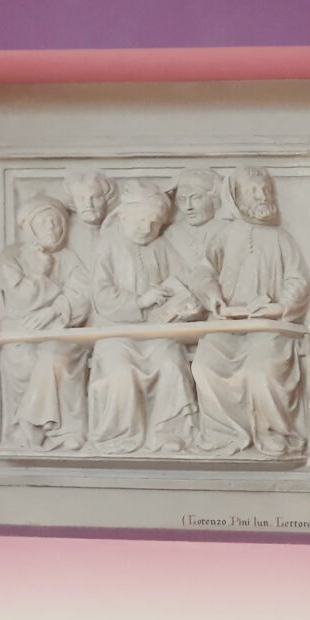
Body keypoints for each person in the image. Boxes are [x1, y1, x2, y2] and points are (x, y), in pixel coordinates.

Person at [191, 166, 310, 456]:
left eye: (266, 189)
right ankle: (223, 433)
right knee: (204, 366)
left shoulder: (281, 238)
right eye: (253, 191)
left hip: (267, 328)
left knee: (261, 371)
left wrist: (281, 306)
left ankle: (272, 431)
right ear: (236, 197)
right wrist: (213, 298)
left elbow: (298, 280)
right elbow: (203, 272)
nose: (262, 196)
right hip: (226, 325)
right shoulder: (224, 235)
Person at [88, 180, 201, 454]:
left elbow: (186, 282)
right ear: (124, 216)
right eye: (140, 220)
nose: (147, 229)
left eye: (154, 223)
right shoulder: (108, 245)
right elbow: (100, 294)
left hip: (158, 333)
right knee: (121, 372)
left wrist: (189, 306)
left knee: (171, 364)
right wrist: (139, 301)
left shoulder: (161, 246)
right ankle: (119, 435)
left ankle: (168, 433)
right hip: (116, 334)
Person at [0, 195, 90, 451]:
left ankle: (57, 428)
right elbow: (19, 299)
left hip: (61, 333)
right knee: (24, 359)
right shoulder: (12, 256)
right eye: (44, 222)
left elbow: (82, 297)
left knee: (54, 357)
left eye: (56, 221)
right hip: (21, 334)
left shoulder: (68, 257)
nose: (52, 227)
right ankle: (29, 427)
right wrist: (41, 272)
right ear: (30, 227)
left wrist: (53, 311)